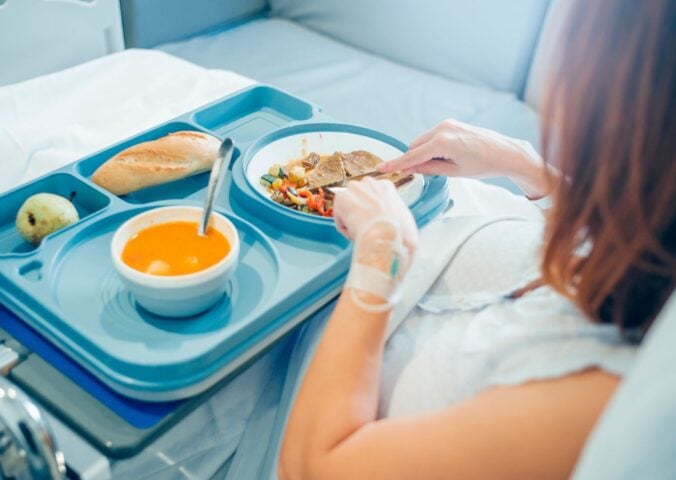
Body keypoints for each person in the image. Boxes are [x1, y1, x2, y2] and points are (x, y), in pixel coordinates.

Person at [279, 0, 675, 478]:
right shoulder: (652, 260)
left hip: (307, 354)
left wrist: (380, 259)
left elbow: (314, 464)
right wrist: (526, 165)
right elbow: (639, 236)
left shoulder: (598, 403)